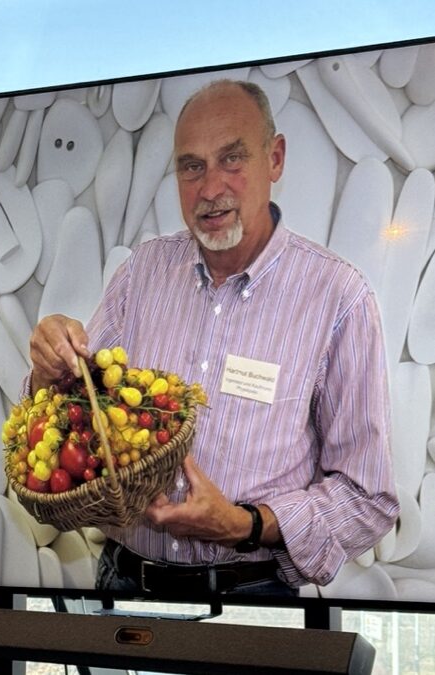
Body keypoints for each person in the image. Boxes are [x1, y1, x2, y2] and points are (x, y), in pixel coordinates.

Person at [27, 79, 400, 596]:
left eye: (232, 158)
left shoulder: (339, 297)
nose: (209, 188)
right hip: (123, 582)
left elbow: (368, 499)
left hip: (252, 598)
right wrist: (50, 369)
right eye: (191, 166)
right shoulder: (142, 272)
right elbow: (77, 414)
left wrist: (246, 523)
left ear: (275, 158)